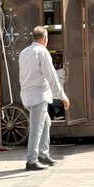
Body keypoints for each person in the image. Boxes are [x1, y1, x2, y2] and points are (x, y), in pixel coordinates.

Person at [18, 25, 69, 171]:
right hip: (39, 95)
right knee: (37, 128)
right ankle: (31, 160)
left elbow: (21, 76)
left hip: (29, 94)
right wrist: (62, 96)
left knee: (46, 123)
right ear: (45, 38)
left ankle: (43, 154)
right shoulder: (42, 52)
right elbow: (51, 76)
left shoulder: (24, 52)